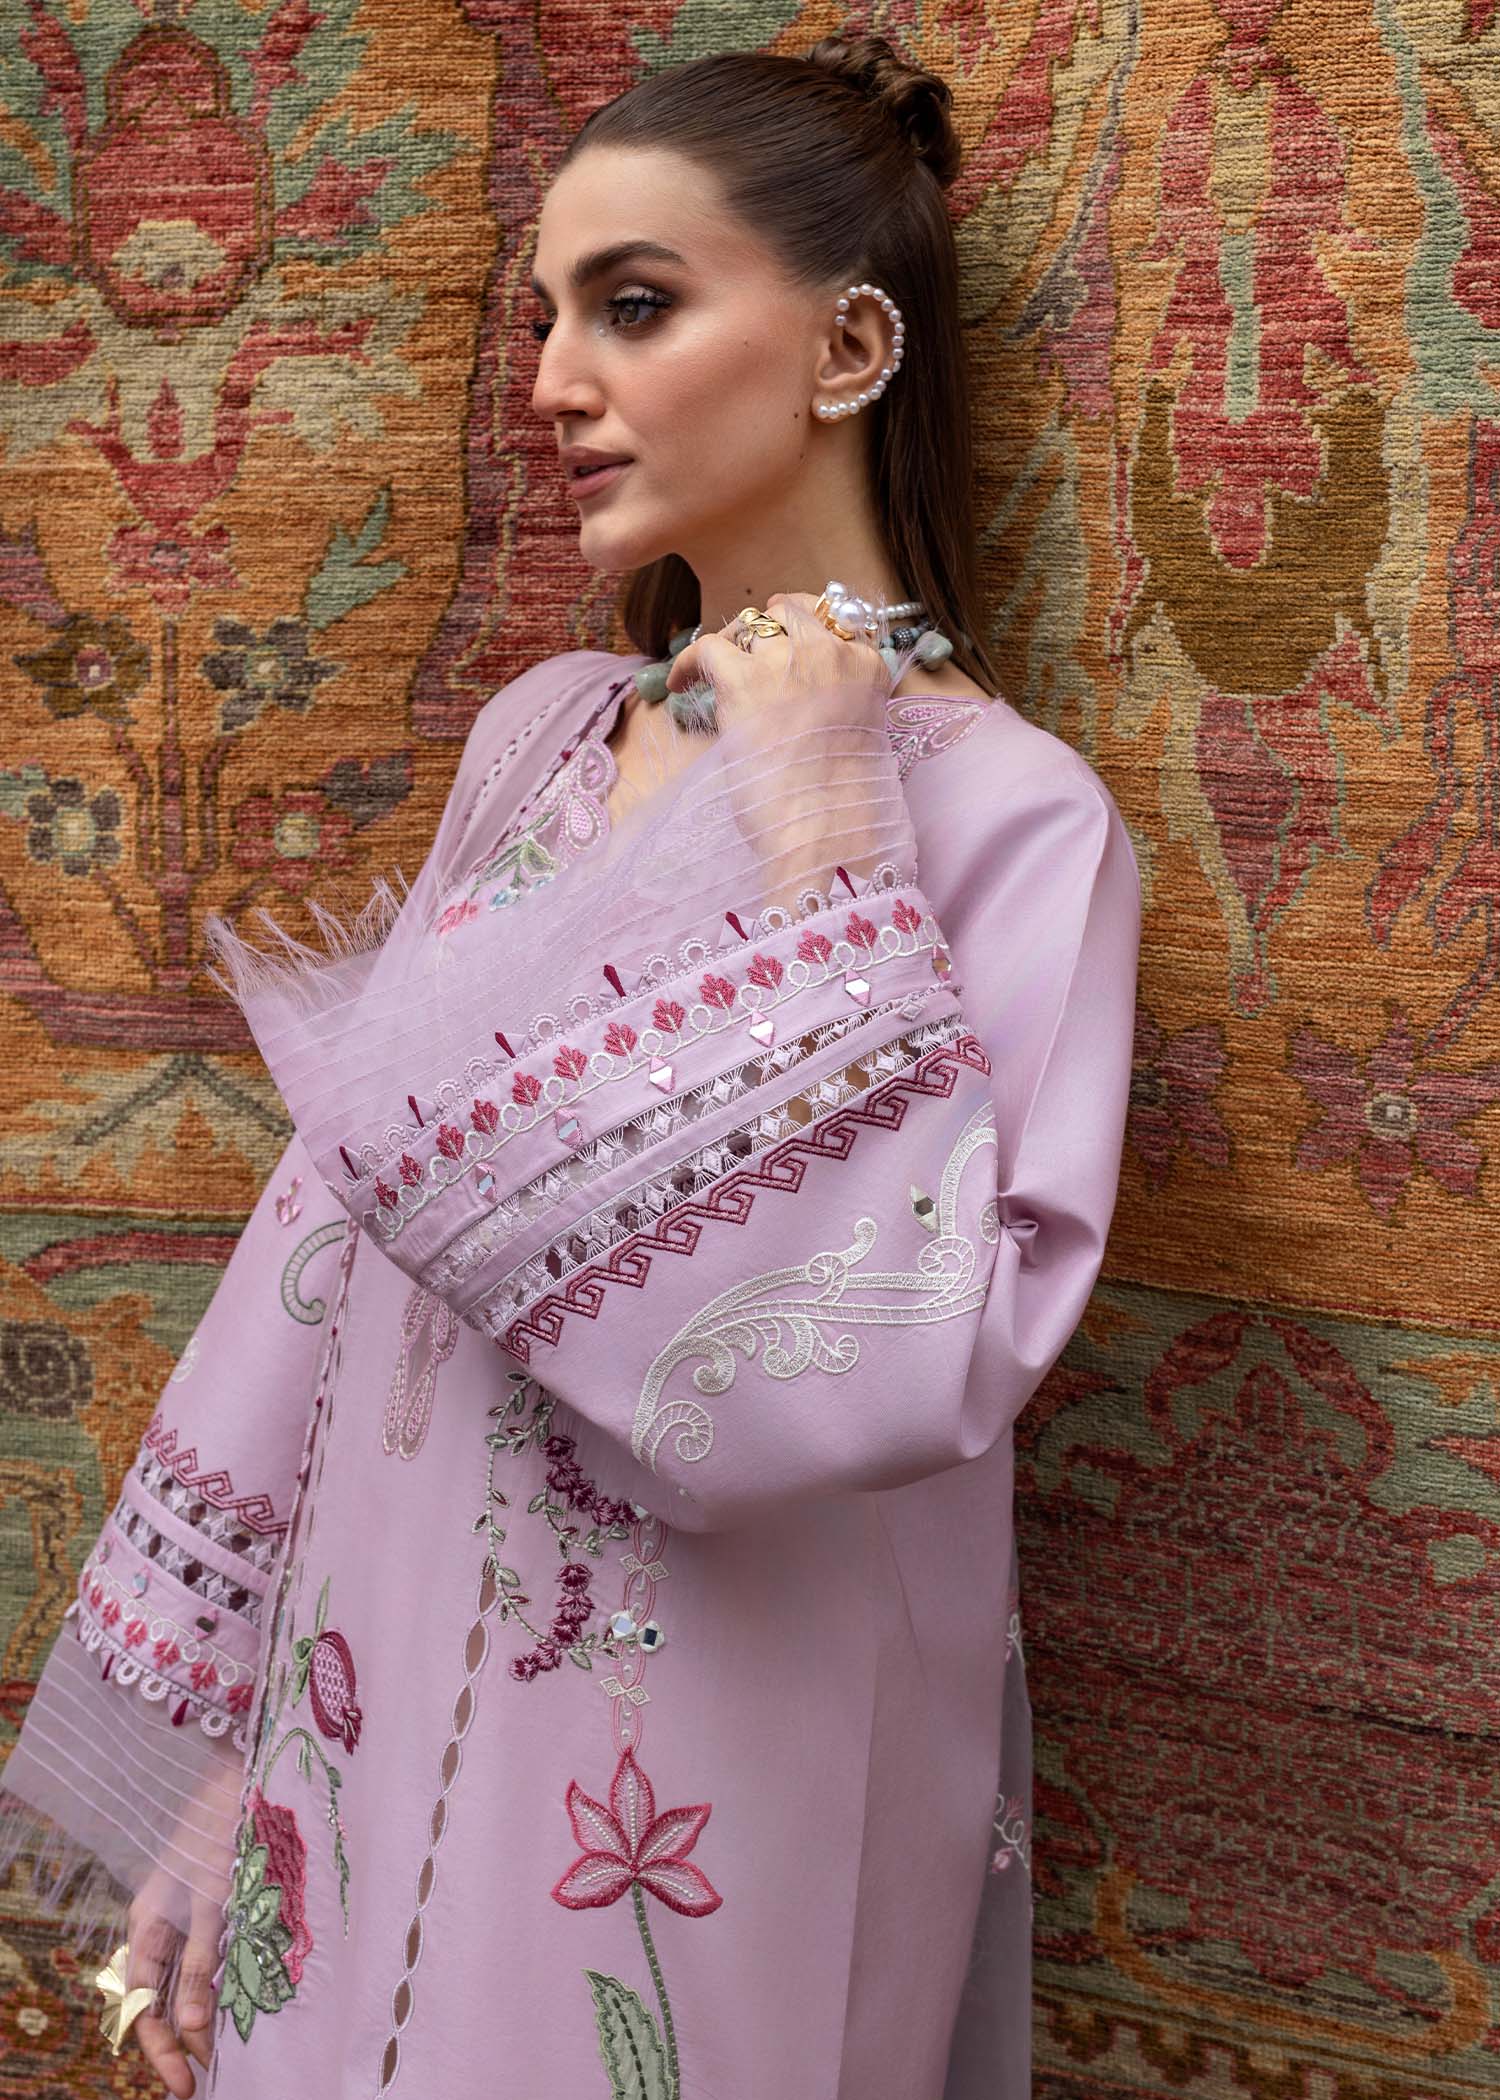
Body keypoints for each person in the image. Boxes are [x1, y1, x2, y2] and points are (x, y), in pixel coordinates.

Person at [0, 32, 1140, 2100]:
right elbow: (331, 1242)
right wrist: (217, 1754)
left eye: (633, 303)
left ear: (850, 343)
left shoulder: (1013, 821)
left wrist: (822, 831)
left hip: (705, 1783)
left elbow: (909, 1356)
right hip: (364, 1699)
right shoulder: (537, 742)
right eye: (544, 317)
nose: (547, 381)